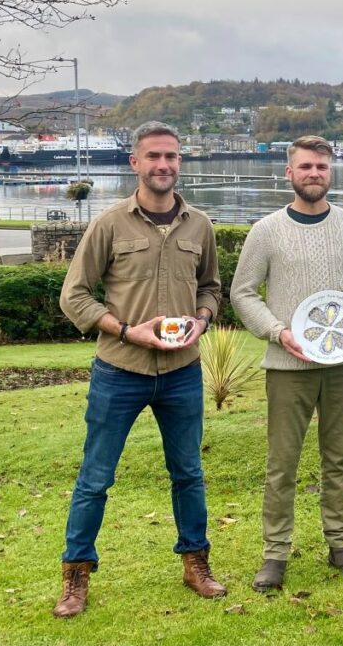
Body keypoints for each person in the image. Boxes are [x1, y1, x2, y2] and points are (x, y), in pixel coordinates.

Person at [54, 121, 223, 618]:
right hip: (119, 371)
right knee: (95, 478)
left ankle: (196, 564)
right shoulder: (109, 224)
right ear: (135, 163)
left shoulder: (201, 225)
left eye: (171, 156)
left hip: (182, 372)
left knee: (188, 473)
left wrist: (203, 319)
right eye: (153, 156)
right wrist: (128, 330)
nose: (163, 165)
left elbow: (211, 288)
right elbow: (74, 296)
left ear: (179, 162)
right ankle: (75, 576)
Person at [230, 135, 343, 588]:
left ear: (330, 173)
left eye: (322, 167)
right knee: (283, 463)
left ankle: (341, 545)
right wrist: (279, 333)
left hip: (340, 366)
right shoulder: (267, 230)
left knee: (339, 460)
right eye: (306, 167)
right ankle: (275, 554)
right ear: (289, 173)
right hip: (287, 366)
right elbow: (242, 292)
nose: (315, 174)